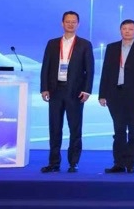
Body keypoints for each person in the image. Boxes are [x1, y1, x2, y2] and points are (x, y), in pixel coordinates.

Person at [40, 11, 94, 173]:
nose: (70, 24)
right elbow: (46, 66)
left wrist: (87, 90)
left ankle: (73, 162)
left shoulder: (85, 44)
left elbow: (90, 69)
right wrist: (44, 88)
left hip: (75, 92)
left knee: (75, 128)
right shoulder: (52, 43)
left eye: (73, 22)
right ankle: (54, 163)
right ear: (62, 23)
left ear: (78, 24)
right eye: (67, 21)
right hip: (55, 90)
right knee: (55, 127)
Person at [98, 19, 134, 174]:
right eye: (124, 28)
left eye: (130, 29)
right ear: (120, 30)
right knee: (119, 131)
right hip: (115, 94)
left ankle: (131, 163)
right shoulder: (112, 48)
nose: (127, 31)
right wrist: (102, 94)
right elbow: (106, 71)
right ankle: (119, 163)